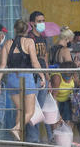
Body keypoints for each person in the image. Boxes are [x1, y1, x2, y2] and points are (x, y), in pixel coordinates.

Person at [0, 19, 46, 141]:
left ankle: (19, 139)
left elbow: (3, 64)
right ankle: (17, 129)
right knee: (30, 112)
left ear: (15, 29)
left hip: (12, 78)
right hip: (26, 78)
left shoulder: (7, 43)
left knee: (20, 110)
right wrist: (42, 76)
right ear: (27, 29)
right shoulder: (29, 42)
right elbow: (34, 62)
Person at [26, 11, 53, 143]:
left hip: (43, 78)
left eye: (43, 20)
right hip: (33, 77)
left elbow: (45, 58)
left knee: (41, 109)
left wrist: (48, 78)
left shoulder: (43, 38)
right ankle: (33, 139)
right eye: (39, 21)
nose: (42, 23)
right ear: (32, 23)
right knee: (32, 110)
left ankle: (39, 138)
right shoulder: (29, 38)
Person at [51, 61, 77, 127]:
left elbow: (79, 83)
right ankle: (54, 136)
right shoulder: (57, 77)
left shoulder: (74, 76)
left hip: (67, 100)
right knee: (55, 121)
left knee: (69, 121)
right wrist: (58, 115)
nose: (68, 75)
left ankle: (68, 135)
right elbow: (54, 97)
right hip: (56, 100)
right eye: (65, 73)